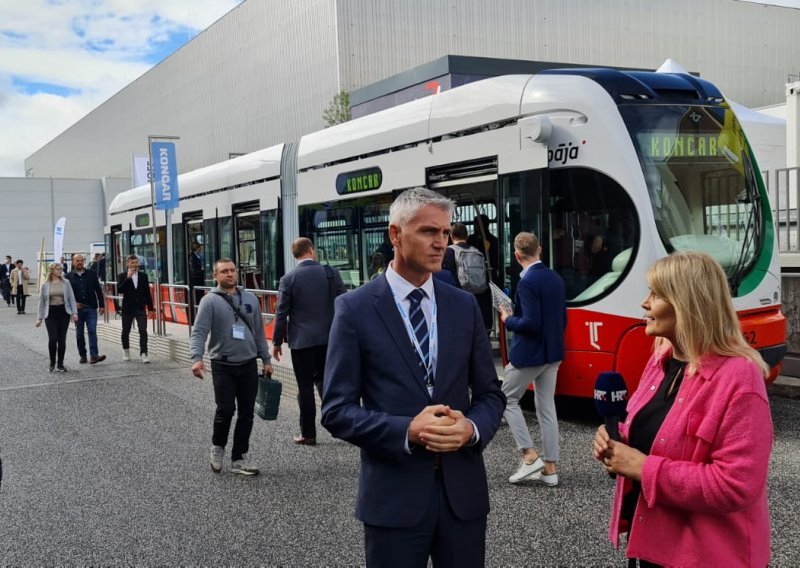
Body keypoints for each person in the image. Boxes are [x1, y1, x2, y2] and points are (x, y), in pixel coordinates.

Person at [321, 187, 506, 568]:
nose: (440, 243)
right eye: (427, 232)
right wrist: (407, 430)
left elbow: (491, 395)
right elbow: (336, 410)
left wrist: (471, 428)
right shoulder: (354, 309)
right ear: (395, 235)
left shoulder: (464, 306)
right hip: (393, 499)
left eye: (444, 232)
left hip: (464, 498)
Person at [592, 252, 773, 568]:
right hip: (652, 546)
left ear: (689, 304)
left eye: (657, 294)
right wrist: (616, 444)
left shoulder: (740, 377)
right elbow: (658, 435)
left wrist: (643, 468)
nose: (645, 304)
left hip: (708, 557)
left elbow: (736, 486)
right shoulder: (660, 358)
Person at [190, 258, 274, 476]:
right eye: (224, 271)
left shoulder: (250, 299)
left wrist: (266, 360)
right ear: (215, 276)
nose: (229, 274)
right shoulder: (209, 301)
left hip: (248, 364)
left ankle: (239, 457)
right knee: (226, 409)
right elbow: (199, 331)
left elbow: (258, 332)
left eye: (232, 270)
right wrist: (196, 358)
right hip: (222, 364)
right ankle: (217, 447)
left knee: (247, 413)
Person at [500, 232, 567, 486]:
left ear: (517, 256)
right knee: (547, 408)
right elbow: (562, 320)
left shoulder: (526, 283)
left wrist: (508, 320)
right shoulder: (555, 278)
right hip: (553, 353)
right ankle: (550, 468)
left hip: (529, 354)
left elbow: (530, 323)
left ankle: (529, 456)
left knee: (506, 398)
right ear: (540, 248)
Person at [272, 237, 345, 445]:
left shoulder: (288, 279)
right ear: (311, 250)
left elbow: (281, 314)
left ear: (295, 255)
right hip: (330, 339)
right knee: (327, 382)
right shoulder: (331, 273)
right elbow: (345, 303)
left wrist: (277, 342)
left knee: (305, 387)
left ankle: (308, 434)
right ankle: (340, 425)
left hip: (301, 342)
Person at [448, 222, 493, 334]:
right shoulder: (477, 252)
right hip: (479, 297)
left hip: (458, 299)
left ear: (451, 236)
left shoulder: (448, 252)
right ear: (467, 236)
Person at [36, 263, 79, 372]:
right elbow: (41, 302)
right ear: (52, 271)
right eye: (57, 269)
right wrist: (39, 318)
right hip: (50, 312)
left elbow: (71, 298)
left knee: (61, 339)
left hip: (63, 312)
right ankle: (52, 362)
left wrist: (74, 313)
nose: (60, 271)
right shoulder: (45, 284)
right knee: (53, 338)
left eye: (61, 269)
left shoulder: (66, 283)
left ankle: (60, 363)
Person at [66, 254, 106, 364]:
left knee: (92, 331)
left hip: (91, 308)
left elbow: (98, 290)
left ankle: (94, 355)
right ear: (73, 262)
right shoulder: (68, 277)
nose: (79, 262)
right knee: (79, 333)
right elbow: (66, 295)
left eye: (81, 260)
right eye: (77, 260)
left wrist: (102, 305)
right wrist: (73, 304)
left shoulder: (92, 274)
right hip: (76, 310)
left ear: (84, 261)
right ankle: (83, 355)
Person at [117, 255, 154, 363]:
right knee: (126, 331)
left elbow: (147, 292)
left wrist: (150, 308)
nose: (134, 265)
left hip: (140, 307)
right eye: (132, 263)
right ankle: (126, 350)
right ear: (127, 264)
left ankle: (144, 353)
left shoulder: (143, 276)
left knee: (143, 330)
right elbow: (120, 290)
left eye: (136, 262)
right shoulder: (122, 275)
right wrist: (128, 278)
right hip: (128, 308)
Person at [189, 242, 205, 310]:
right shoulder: (192, 257)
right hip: (196, 280)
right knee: (198, 296)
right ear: (197, 248)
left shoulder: (197, 256)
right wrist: (203, 271)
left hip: (199, 279)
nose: (201, 249)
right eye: (200, 247)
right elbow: (193, 270)